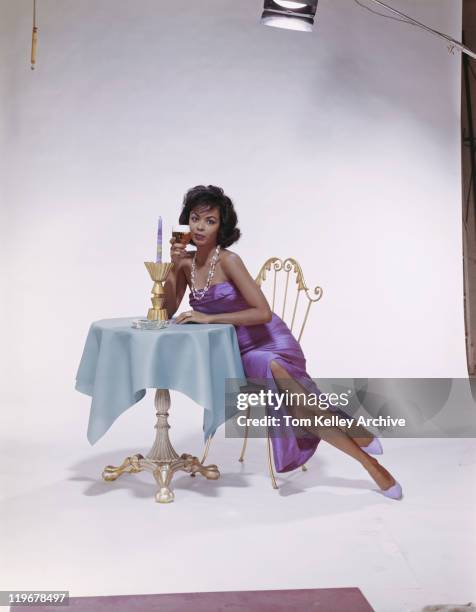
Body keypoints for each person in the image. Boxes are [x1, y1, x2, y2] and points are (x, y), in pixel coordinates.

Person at [165, 185, 403, 500]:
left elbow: (262, 312)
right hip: (234, 354)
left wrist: (209, 319)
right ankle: (356, 434)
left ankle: (370, 466)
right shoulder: (185, 264)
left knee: (290, 390)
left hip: (270, 342)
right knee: (299, 398)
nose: (199, 226)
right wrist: (171, 265)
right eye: (195, 218)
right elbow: (164, 311)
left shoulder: (230, 260)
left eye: (209, 221)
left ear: (222, 227)